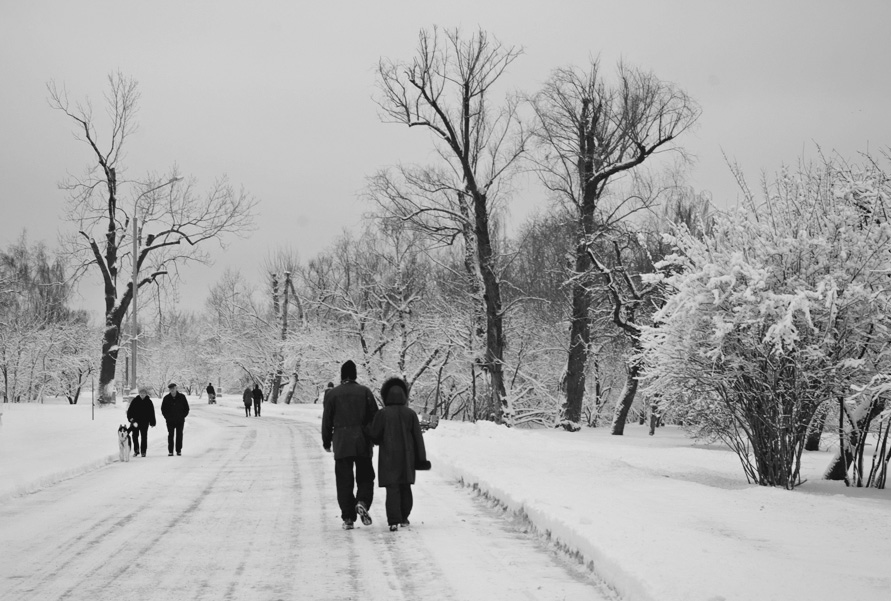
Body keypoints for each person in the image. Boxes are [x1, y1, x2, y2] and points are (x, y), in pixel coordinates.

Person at [321, 360, 379, 530]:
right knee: (366, 477)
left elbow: (327, 421)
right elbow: (374, 418)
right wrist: (374, 438)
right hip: (362, 442)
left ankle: (348, 517)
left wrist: (326, 441)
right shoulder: (365, 392)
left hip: (341, 443)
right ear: (355, 375)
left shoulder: (332, 394)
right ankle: (362, 501)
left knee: (344, 481)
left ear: (341, 375)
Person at [368, 377, 431, 532]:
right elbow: (418, 438)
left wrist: (368, 429)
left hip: (388, 457)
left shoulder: (382, 414)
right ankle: (404, 517)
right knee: (405, 487)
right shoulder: (410, 414)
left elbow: (375, 435)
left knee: (392, 489)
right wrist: (421, 459)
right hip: (407, 457)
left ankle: (393, 521)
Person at [161, 383, 190, 456]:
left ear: (176, 388)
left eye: (173, 388)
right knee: (170, 435)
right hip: (170, 420)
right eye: (170, 389)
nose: (172, 390)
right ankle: (170, 451)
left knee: (179, 435)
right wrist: (167, 417)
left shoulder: (182, 397)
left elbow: (186, 408)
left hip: (180, 420)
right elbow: (163, 409)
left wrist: (183, 416)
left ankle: (178, 450)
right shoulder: (166, 398)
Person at [127, 386, 157, 457]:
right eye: (141, 393)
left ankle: (143, 451)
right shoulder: (135, 400)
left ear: (146, 394)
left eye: (143, 393)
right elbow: (130, 410)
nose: (142, 394)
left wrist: (152, 422)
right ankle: (136, 450)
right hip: (135, 422)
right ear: (139, 393)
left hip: (145, 422)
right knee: (135, 436)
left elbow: (151, 413)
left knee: (144, 436)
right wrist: (130, 418)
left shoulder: (149, 402)